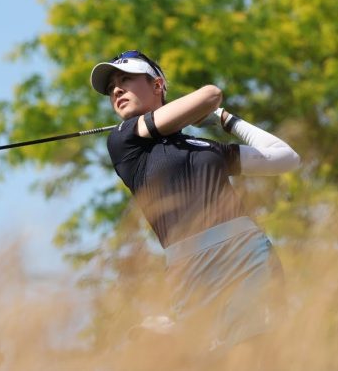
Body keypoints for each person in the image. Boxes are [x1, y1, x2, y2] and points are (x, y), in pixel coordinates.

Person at [90, 50, 300, 361]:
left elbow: (285, 158)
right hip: (189, 269)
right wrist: (206, 107)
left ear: (158, 84)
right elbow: (209, 94)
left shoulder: (202, 146)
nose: (116, 90)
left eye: (125, 80)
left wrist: (224, 118)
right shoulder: (123, 139)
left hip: (244, 252)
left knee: (256, 355)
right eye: (111, 88)